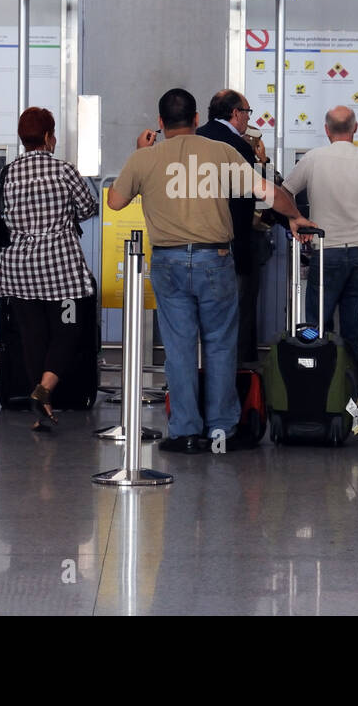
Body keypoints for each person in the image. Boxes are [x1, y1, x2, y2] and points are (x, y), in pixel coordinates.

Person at [108, 88, 315, 453]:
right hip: (215, 259)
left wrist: (140, 154)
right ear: (196, 120)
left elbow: (115, 200)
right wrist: (295, 216)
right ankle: (222, 429)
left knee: (179, 348)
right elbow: (269, 192)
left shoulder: (146, 158)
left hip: (168, 262)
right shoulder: (221, 152)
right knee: (220, 346)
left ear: (159, 123)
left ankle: (186, 431)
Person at [0, 107, 99, 430]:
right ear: (49, 137)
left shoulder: (9, 173)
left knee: (32, 337)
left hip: (19, 268)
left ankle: (41, 403)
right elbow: (88, 207)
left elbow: (3, 215)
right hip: (60, 269)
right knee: (68, 329)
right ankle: (45, 390)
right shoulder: (64, 171)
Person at [283, 106, 358, 363]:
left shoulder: (313, 159)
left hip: (325, 250)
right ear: (355, 128)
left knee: (316, 326)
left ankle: (318, 381)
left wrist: (294, 217)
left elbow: (285, 190)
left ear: (326, 130)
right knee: (353, 328)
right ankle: (348, 389)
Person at [196, 90, 275, 365]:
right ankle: (241, 377)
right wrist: (261, 164)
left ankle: (201, 370)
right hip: (231, 242)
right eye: (248, 112)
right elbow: (250, 198)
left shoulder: (195, 138)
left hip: (195, 242)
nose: (248, 119)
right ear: (236, 113)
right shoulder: (238, 146)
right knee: (239, 313)